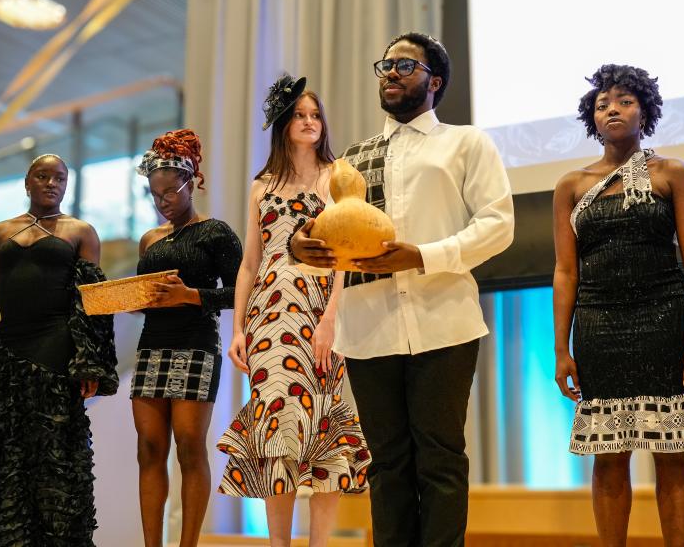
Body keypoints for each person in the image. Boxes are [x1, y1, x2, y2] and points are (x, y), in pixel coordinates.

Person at [291, 33, 514, 546]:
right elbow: (322, 231)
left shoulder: (465, 143)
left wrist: (423, 256)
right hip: (368, 328)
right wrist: (303, 247)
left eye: (405, 65)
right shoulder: (349, 161)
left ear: (434, 81)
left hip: (444, 321)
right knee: (387, 465)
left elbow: (499, 224)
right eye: (385, 65)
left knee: (440, 460)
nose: (390, 72)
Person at [552, 64, 684, 547]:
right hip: (599, 327)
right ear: (592, 119)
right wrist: (561, 350)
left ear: (645, 110)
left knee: (671, 449)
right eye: (602, 104)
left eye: (623, 101)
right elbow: (565, 272)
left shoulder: (674, 173)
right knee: (609, 453)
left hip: (665, 321)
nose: (612, 110)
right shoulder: (571, 184)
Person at [217, 75, 370, 547]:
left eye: (315, 115)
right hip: (267, 315)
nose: (309, 122)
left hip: (317, 312)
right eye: (300, 115)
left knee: (323, 426)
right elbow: (249, 263)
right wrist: (238, 328)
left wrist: (331, 319)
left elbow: (346, 253)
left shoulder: (337, 176)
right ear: (284, 124)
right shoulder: (261, 185)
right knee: (275, 427)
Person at [0, 153, 118, 546]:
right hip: (8, 348)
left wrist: (90, 363)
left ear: (67, 184)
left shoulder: (81, 231)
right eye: (42, 176)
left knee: (56, 453)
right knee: (10, 449)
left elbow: (92, 303)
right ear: (27, 183)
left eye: (59, 177)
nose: (51, 183)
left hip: (56, 348)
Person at [131, 129, 242, 547]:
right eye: (154, 195)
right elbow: (148, 295)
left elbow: (240, 292)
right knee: (148, 447)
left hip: (196, 344)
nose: (162, 202)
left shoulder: (215, 232)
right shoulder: (149, 239)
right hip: (151, 346)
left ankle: (188, 544)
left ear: (191, 182)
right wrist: (130, 301)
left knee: (190, 445)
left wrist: (191, 295)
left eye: (169, 193)